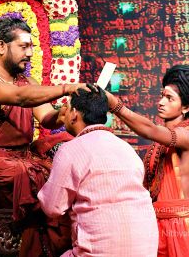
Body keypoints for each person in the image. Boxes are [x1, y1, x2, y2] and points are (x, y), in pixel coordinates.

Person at [0, 17, 86, 256]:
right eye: (23, 46)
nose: (30, 53)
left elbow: (46, 117)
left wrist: (64, 113)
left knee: (66, 159)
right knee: (29, 175)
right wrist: (66, 88)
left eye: (31, 47)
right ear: (2, 46)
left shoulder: (26, 82)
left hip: (23, 157)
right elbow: (20, 97)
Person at [104, 64, 189, 257]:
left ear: (186, 107)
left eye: (169, 98)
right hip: (157, 223)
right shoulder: (161, 141)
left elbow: (151, 130)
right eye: (162, 95)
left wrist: (115, 105)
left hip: (183, 228)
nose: (161, 102)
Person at [38, 86, 159, 257]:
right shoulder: (127, 148)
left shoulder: (71, 150)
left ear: (74, 114)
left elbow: (52, 207)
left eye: (67, 108)